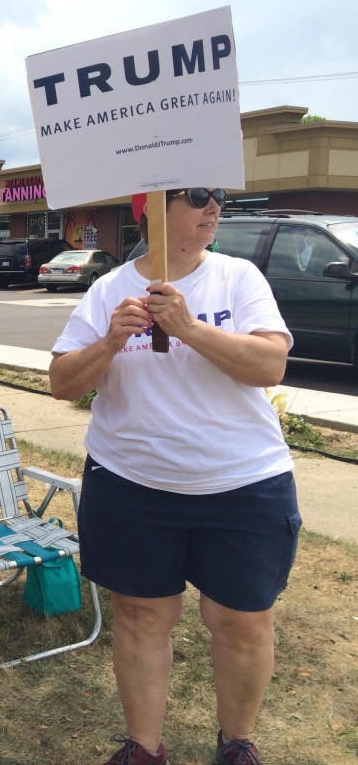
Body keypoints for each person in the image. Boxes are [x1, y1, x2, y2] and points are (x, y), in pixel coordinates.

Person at [49, 188, 299, 765]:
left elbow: (269, 364)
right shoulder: (107, 290)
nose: (214, 207)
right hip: (132, 483)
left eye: (217, 197)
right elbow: (62, 382)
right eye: (197, 197)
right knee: (141, 615)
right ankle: (143, 748)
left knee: (239, 620)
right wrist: (112, 339)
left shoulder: (238, 278)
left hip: (241, 483)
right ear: (152, 210)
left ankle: (236, 744)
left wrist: (188, 327)